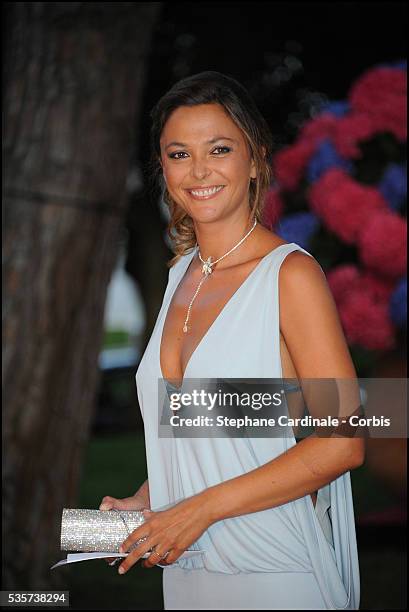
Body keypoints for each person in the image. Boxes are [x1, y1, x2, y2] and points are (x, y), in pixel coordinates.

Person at [101, 71, 364, 609]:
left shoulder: (290, 276)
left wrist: (199, 510)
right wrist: (149, 504)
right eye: (179, 154)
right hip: (189, 578)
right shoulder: (180, 276)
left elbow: (344, 441)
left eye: (219, 149)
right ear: (163, 168)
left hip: (274, 572)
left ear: (256, 159)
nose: (199, 170)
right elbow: (210, 434)